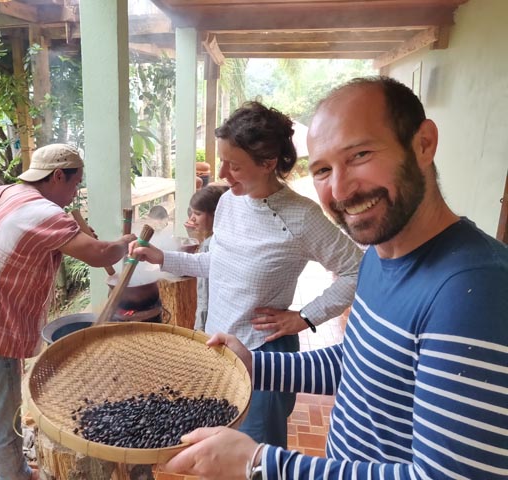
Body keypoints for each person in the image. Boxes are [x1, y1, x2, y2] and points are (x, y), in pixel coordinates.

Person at [159, 76, 508, 479]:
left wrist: (260, 464)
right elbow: (357, 365)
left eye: (359, 155)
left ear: (423, 144)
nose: (340, 190)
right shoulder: (381, 254)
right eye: (323, 169)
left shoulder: (475, 289)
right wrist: (254, 366)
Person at [131, 101, 364, 448]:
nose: (222, 173)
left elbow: (357, 270)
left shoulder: (301, 217)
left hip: (264, 362)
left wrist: (303, 318)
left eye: (234, 165)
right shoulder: (228, 202)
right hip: (219, 352)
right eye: (222, 160)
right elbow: (216, 267)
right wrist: (162, 257)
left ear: (268, 163)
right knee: (221, 451)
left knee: (256, 461)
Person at [0, 144, 136, 480]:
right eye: (74, 185)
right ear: (57, 176)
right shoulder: (45, 213)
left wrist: (77, 235)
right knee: (4, 424)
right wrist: (125, 242)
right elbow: (101, 256)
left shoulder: (0, 194)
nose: (73, 195)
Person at [185, 184, 229, 331]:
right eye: (191, 213)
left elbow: (205, 297)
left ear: (216, 214)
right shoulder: (222, 239)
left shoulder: (208, 246)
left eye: (197, 214)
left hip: (211, 324)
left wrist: (199, 328)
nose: (191, 218)